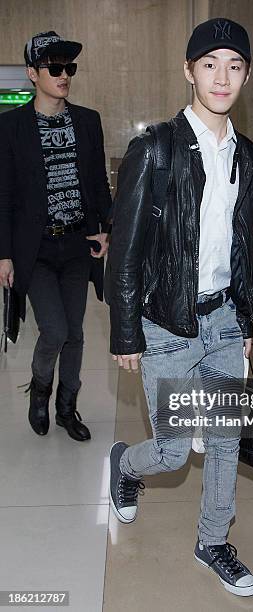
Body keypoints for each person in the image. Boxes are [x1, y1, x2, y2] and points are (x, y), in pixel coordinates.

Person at [108, 18, 253, 597]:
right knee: (172, 453)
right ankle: (127, 465)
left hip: (222, 318)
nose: (222, 77)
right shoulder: (154, 150)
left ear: (246, 75)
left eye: (235, 65)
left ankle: (213, 540)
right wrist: (126, 332)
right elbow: (124, 250)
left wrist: (245, 319)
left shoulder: (245, 155)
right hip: (166, 322)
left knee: (225, 438)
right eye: (210, 64)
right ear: (189, 72)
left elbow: (242, 245)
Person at [0, 32, 111, 441]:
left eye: (70, 68)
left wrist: (105, 230)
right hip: (37, 249)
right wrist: (3, 254)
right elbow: (4, 194)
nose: (65, 75)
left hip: (78, 244)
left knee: (77, 333)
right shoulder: (11, 126)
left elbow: (98, 183)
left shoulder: (87, 121)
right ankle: (39, 392)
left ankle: (67, 407)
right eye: (55, 68)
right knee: (56, 330)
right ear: (32, 73)